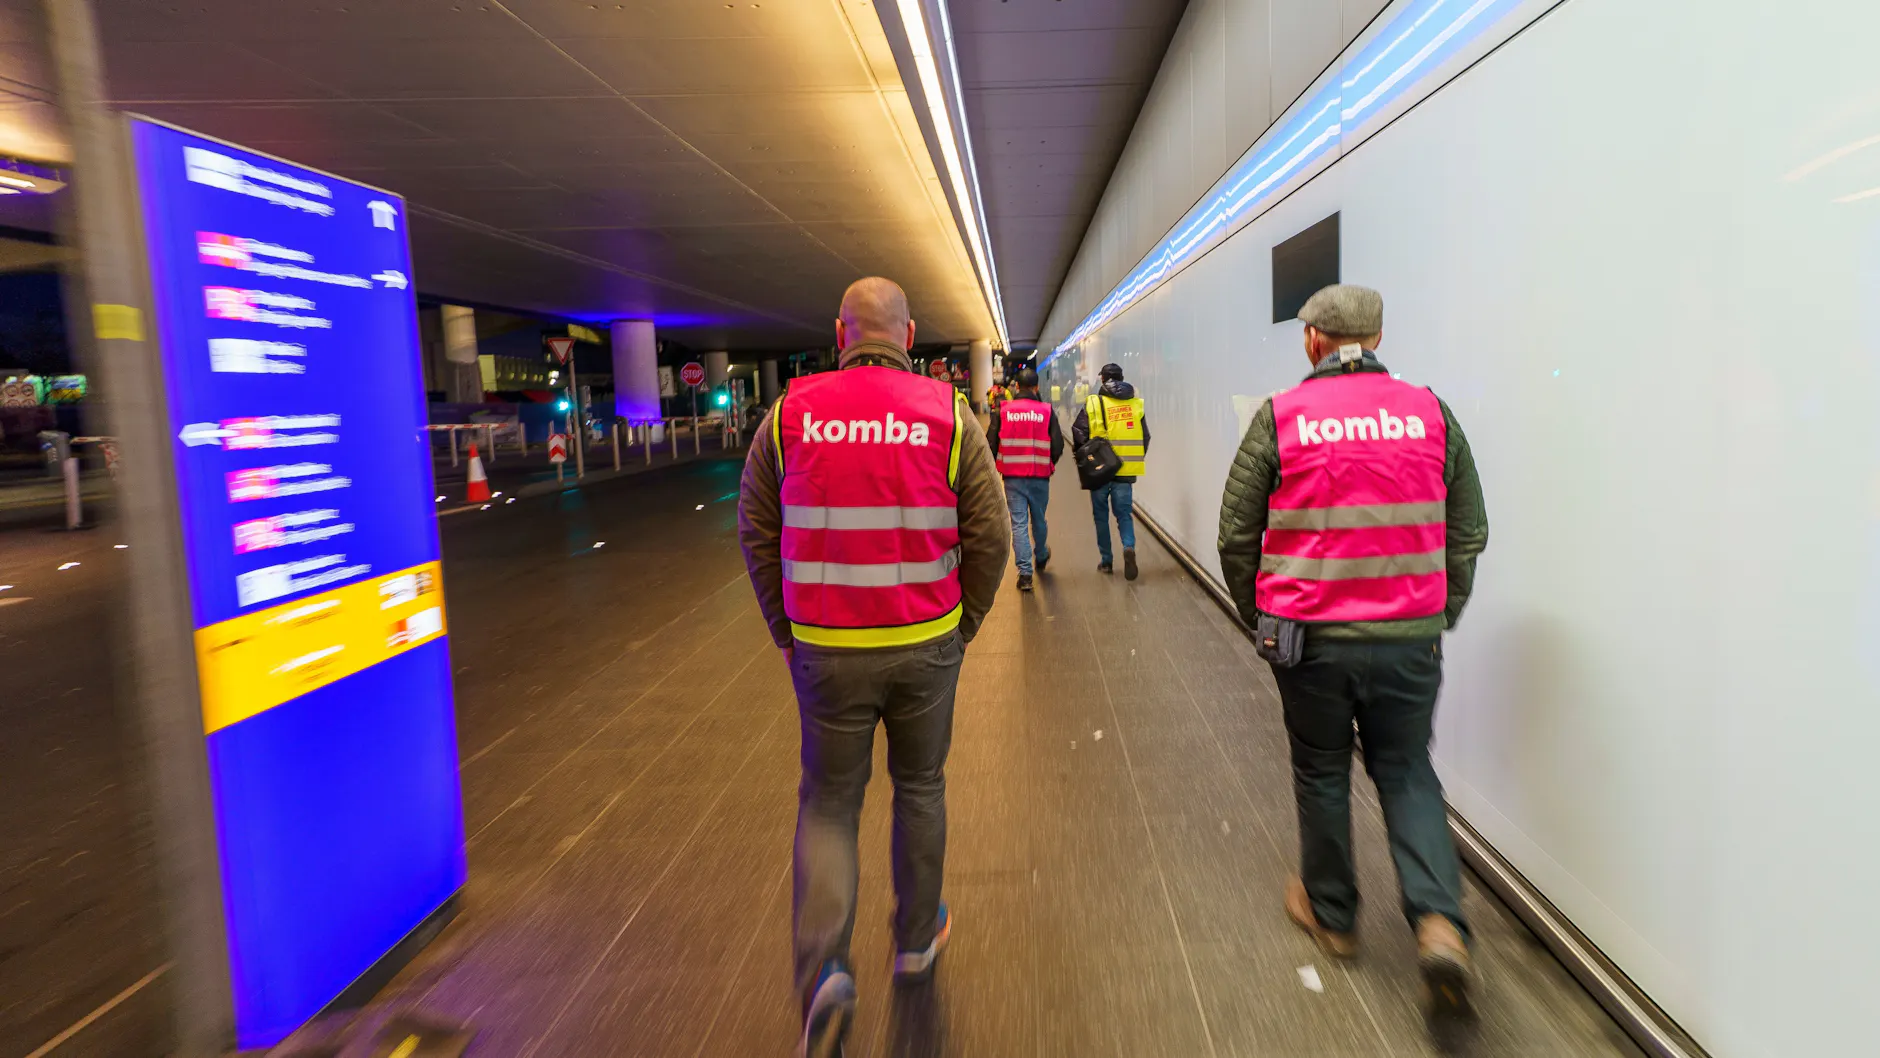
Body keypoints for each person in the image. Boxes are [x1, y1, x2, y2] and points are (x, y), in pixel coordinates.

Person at [738, 277, 1011, 1058]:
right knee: (921, 787)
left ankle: (824, 970)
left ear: (839, 332)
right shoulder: (948, 415)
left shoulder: (789, 416)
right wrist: (968, 622)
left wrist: (784, 627)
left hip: (827, 649)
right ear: (911, 333)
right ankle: (917, 940)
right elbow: (988, 534)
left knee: (828, 803)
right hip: (926, 643)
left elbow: (755, 523)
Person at [1215, 284, 1488, 1039]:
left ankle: (1333, 916)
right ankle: (1439, 927)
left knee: (1321, 768)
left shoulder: (1281, 415)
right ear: (1377, 334)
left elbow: (1236, 536)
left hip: (1310, 641)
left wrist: (1259, 619)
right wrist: (1441, 611)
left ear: (1312, 341)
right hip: (1409, 638)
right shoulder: (1430, 411)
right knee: (1406, 770)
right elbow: (1468, 529)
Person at [985, 368, 1064, 592]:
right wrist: (1048, 463)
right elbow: (1058, 445)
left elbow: (990, 442)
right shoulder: (1047, 411)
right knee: (1038, 518)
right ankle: (1041, 554)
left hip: (1012, 477)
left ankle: (1025, 573)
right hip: (1040, 475)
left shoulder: (1003, 410)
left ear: (1016, 387)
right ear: (1036, 387)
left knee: (1018, 523)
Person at [1071, 362, 1149, 579]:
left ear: (1103, 379)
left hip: (1099, 471)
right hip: (1125, 472)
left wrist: (1083, 455)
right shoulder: (1135, 404)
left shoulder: (1094, 403)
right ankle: (1128, 547)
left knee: (1101, 517)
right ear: (1122, 379)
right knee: (1124, 515)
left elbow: (1078, 432)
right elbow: (1145, 437)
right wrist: (1134, 458)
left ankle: (1106, 561)